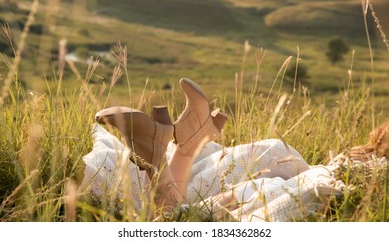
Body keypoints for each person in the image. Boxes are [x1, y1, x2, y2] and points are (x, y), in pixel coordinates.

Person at [82, 78, 352, 221]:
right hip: (300, 172)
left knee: (178, 213)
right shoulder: (368, 176)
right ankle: (187, 144)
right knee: (178, 218)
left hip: (292, 166)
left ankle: (182, 145)